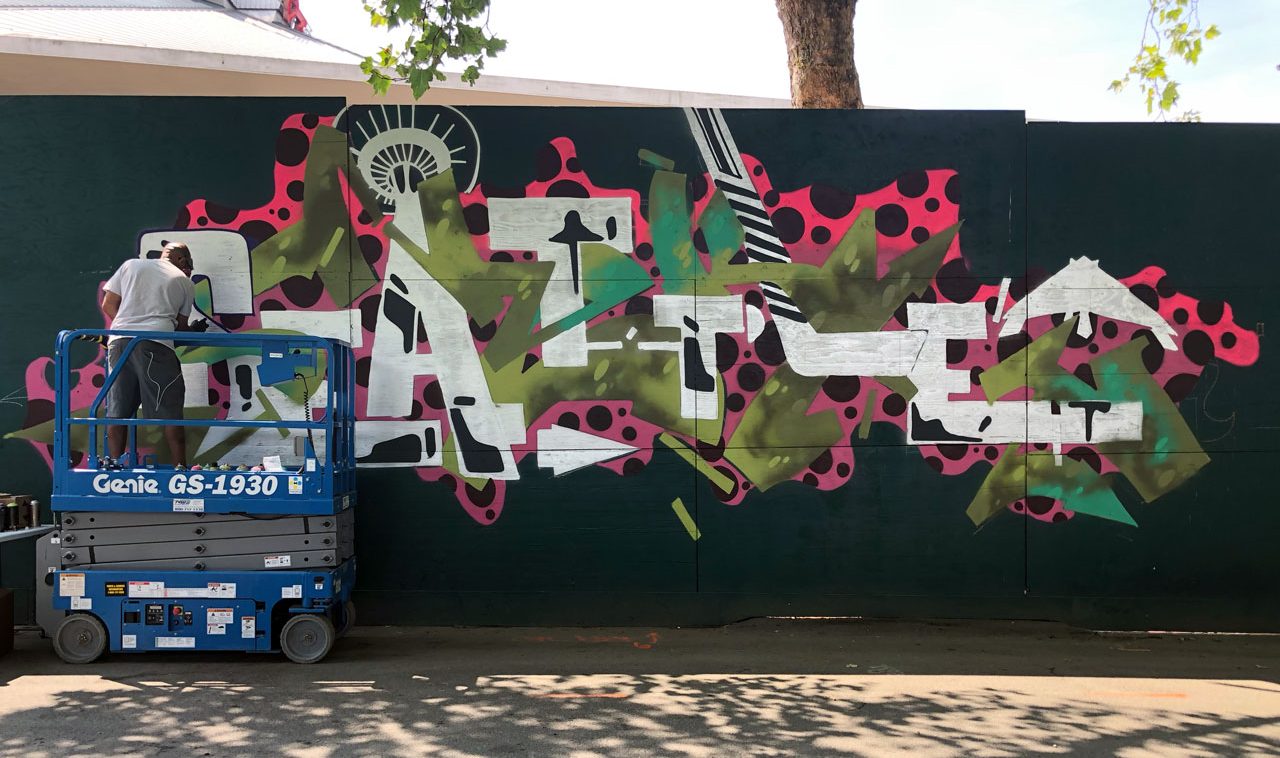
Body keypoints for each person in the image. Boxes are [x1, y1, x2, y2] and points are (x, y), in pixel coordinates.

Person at [100, 242, 205, 468]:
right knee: (171, 411)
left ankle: (114, 465)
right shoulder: (184, 282)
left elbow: (108, 304)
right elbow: (181, 327)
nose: (188, 270)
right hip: (156, 344)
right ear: (181, 259)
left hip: (119, 342)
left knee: (117, 410)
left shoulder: (130, 266)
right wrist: (194, 331)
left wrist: (130, 326)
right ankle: (180, 468)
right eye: (188, 265)